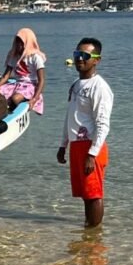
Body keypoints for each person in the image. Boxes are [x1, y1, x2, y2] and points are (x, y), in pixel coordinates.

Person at [57, 37, 113, 227]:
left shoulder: (100, 87)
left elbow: (103, 124)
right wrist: (63, 144)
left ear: (96, 59)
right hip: (76, 145)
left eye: (85, 55)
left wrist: (92, 153)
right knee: (85, 194)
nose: (80, 59)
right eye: (77, 55)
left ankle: (94, 240)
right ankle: (88, 232)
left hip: (91, 146)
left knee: (94, 194)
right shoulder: (75, 85)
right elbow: (70, 116)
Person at [0, 28, 46, 114]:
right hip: (17, 84)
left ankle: (11, 109)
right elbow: (6, 75)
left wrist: (34, 99)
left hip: (30, 86)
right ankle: (1, 109)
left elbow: (41, 80)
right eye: (17, 42)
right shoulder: (14, 55)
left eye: (22, 43)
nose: (19, 46)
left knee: (15, 98)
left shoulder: (35, 57)